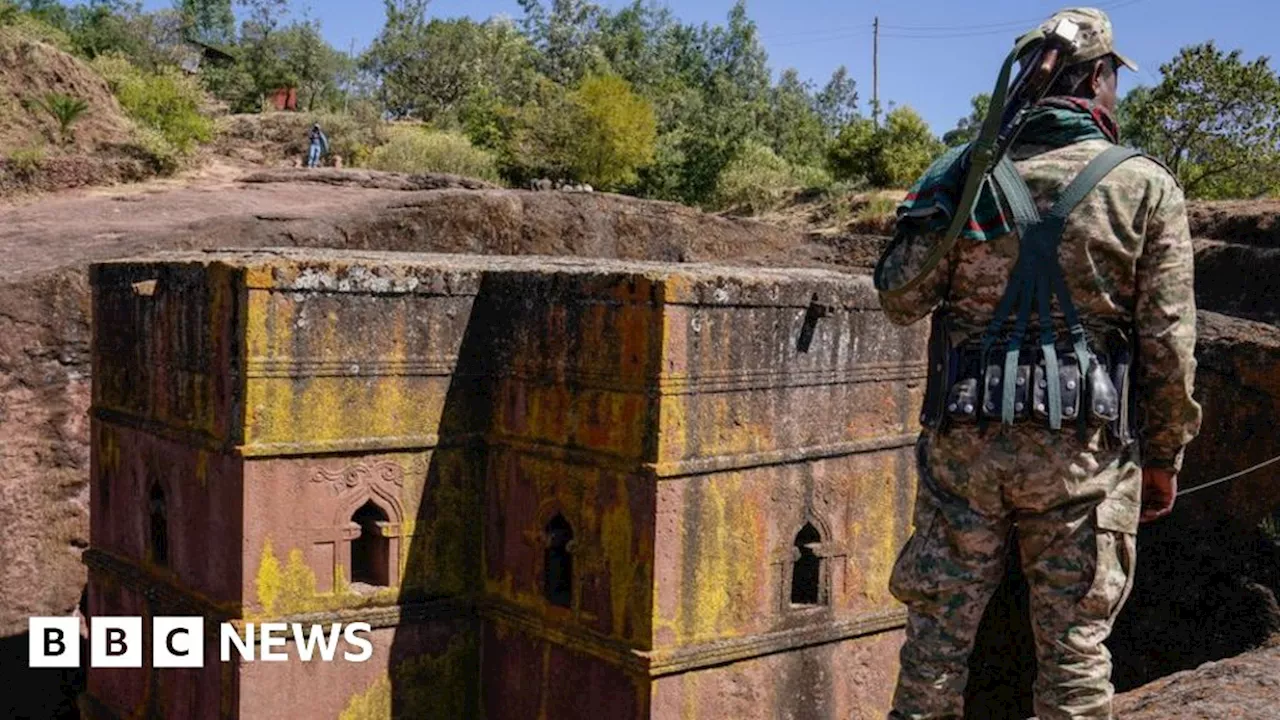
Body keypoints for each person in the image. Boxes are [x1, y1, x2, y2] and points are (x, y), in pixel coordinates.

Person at [874, 8, 1202, 720]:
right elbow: (1169, 342)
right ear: (1098, 79)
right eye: (1115, 75)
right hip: (1081, 463)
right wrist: (1166, 456)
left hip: (966, 458)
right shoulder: (1145, 187)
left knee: (932, 654)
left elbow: (900, 296)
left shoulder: (967, 172)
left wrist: (935, 203)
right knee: (1076, 661)